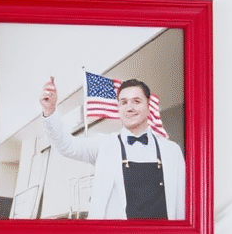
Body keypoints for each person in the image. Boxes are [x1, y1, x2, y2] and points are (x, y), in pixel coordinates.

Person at [40, 76, 186, 220]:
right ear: (118, 108)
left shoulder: (171, 151)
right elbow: (66, 146)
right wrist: (50, 111)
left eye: (136, 101)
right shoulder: (104, 145)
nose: (130, 108)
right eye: (123, 102)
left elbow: (182, 203)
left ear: (148, 106)